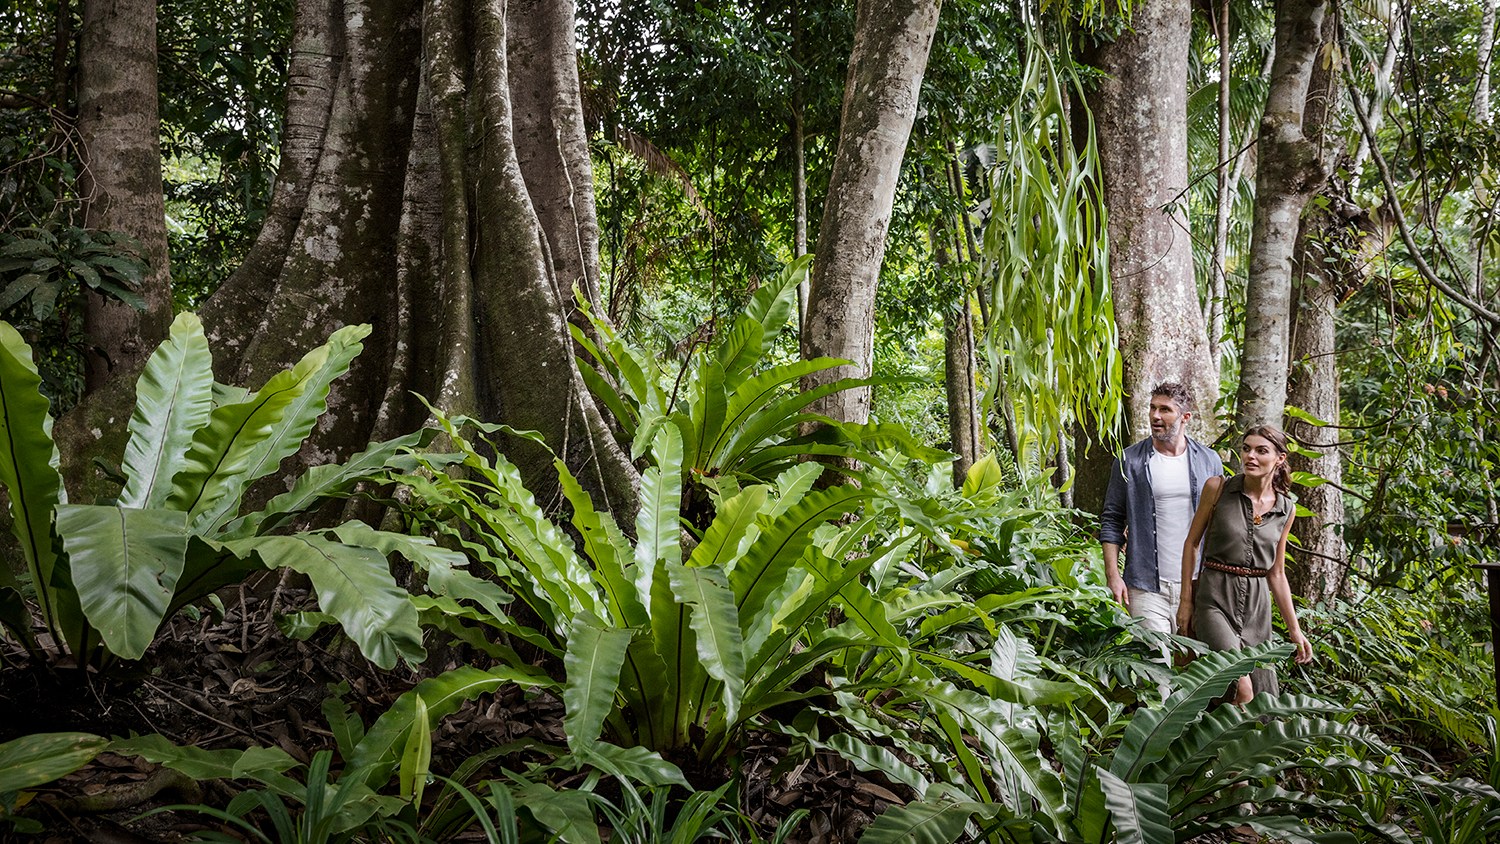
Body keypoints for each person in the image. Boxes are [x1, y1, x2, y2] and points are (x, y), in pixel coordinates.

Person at [1175, 425, 1313, 704]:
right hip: (1214, 598)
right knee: (1240, 685)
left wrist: (1295, 630)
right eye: (1247, 449)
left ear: (1279, 459)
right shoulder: (1217, 488)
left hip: (1257, 608)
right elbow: (1192, 544)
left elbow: (1277, 573)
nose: (1250, 456)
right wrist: (1186, 601)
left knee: (1263, 698)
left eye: (1261, 451)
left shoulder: (1286, 509)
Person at [1100, 383, 1223, 634]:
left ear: (1185, 417)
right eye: (1152, 408)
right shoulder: (1129, 460)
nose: (1155, 416)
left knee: (1194, 657)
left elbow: (1220, 521)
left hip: (1197, 584)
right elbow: (1112, 520)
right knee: (1156, 657)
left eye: (1165, 409)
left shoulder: (1209, 460)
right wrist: (1113, 575)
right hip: (1145, 586)